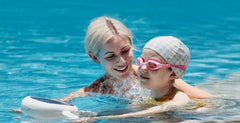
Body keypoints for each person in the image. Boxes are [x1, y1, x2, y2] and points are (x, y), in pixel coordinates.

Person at [59, 16, 212, 103]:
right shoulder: (97, 90)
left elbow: (209, 101)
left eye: (125, 51)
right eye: (111, 56)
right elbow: (59, 103)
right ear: (94, 57)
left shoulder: (149, 74)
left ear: (131, 45)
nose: (122, 61)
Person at [73, 36, 205, 123]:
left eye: (152, 65)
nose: (142, 68)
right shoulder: (145, 98)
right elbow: (130, 112)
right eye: (141, 61)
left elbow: (159, 110)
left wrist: (103, 118)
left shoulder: (180, 98)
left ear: (172, 74)